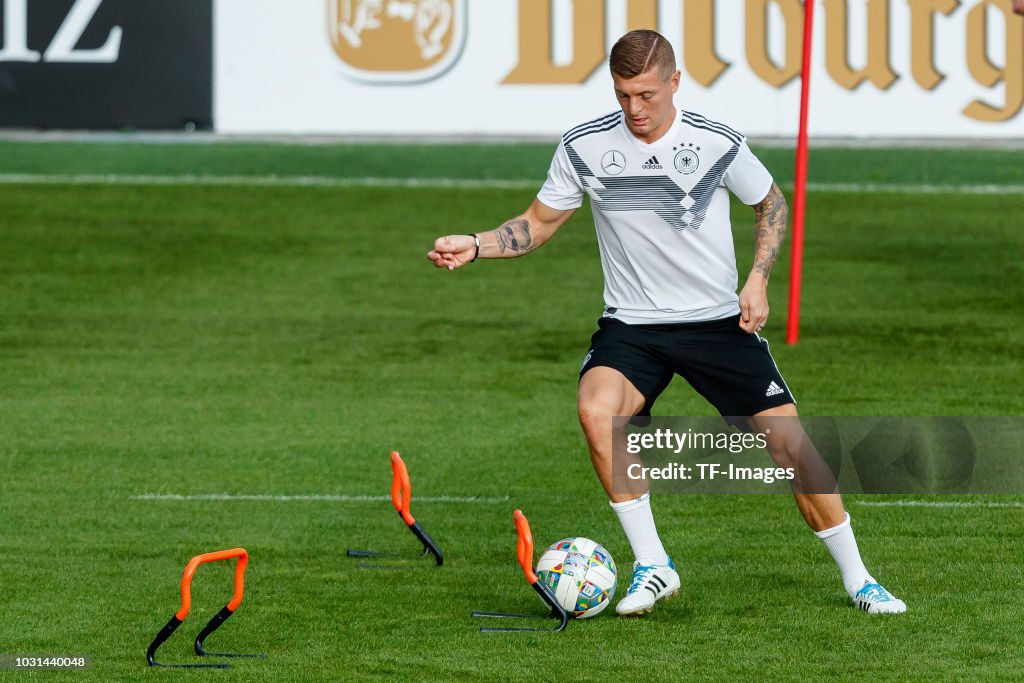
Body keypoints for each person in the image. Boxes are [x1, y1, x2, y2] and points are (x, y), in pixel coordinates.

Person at [428, 30, 905, 616]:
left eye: (647, 94)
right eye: (624, 94)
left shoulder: (715, 142)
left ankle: (860, 580)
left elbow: (771, 203)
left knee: (790, 447)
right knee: (596, 411)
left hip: (714, 323)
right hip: (633, 326)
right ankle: (654, 565)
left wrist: (757, 278)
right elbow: (537, 224)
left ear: (674, 82)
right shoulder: (583, 146)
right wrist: (476, 245)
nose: (635, 108)